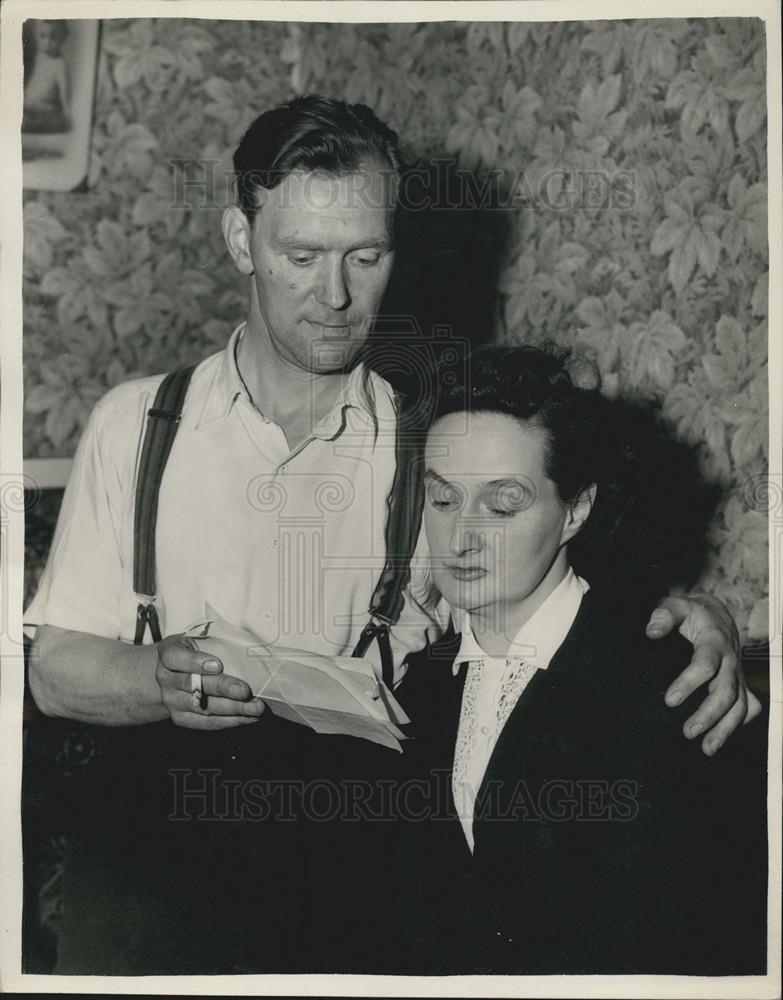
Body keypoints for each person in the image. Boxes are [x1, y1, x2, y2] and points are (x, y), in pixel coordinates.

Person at [24, 95, 758, 973]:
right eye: (299, 257)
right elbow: (54, 670)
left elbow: (549, 583)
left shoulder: (434, 439)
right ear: (238, 239)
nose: (334, 297)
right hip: (152, 836)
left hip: (353, 845)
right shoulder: (134, 425)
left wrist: (696, 616)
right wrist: (156, 676)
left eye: (364, 257)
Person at [394, 345, 768, 975]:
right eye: (443, 499)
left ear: (576, 510)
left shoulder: (672, 683)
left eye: (502, 504)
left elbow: (697, 944)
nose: (460, 538)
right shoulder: (421, 682)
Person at [23, 20, 71, 135]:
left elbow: (65, 89)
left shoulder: (59, 63)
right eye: (42, 36)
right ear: (35, 35)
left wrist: (67, 113)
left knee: (27, 121)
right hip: (30, 103)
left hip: (47, 107)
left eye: (53, 38)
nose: (47, 42)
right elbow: (35, 80)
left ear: (63, 38)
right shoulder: (39, 56)